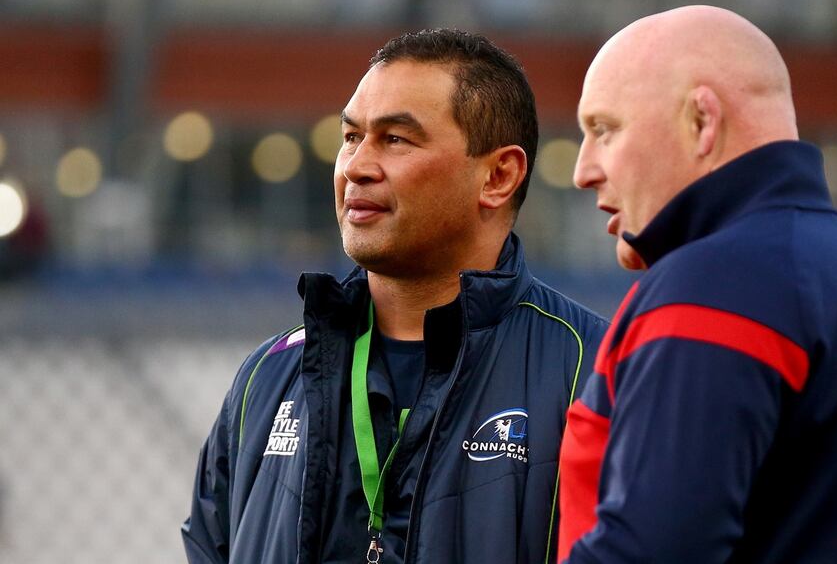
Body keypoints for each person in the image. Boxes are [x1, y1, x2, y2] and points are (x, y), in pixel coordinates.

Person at [557, 5, 837, 563]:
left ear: (702, 121)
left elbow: (651, 551)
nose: (583, 169)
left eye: (604, 130)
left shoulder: (712, 285)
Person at [182, 28, 607, 564]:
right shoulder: (266, 380)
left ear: (498, 176)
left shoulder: (594, 373)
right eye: (351, 137)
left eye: (395, 139)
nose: (355, 167)